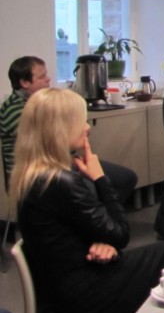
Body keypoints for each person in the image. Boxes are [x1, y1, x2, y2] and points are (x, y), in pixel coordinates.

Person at [10, 88, 164, 313]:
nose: (87, 127)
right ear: (60, 129)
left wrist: (104, 242)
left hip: (70, 292)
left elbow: (82, 231)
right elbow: (120, 234)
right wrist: (100, 178)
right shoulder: (61, 182)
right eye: (80, 121)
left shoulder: (33, 176)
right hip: (90, 299)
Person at [0, 56, 137, 205]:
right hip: (36, 172)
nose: (48, 79)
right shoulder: (14, 110)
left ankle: (101, 216)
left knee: (126, 178)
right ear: (24, 83)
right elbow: (50, 143)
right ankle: (96, 216)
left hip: (62, 163)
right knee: (89, 189)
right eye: (42, 76)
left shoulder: (42, 104)